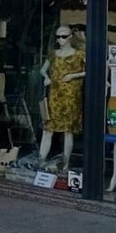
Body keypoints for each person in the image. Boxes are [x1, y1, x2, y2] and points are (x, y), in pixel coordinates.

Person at [39, 26, 85, 171]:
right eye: (58, 37)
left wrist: (73, 75)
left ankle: (65, 164)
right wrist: (46, 77)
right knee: (48, 129)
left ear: (70, 36)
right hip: (54, 96)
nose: (60, 40)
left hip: (71, 97)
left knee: (68, 131)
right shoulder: (53, 54)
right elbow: (42, 69)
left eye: (63, 37)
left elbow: (92, 69)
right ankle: (40, 162)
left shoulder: (79, 54)